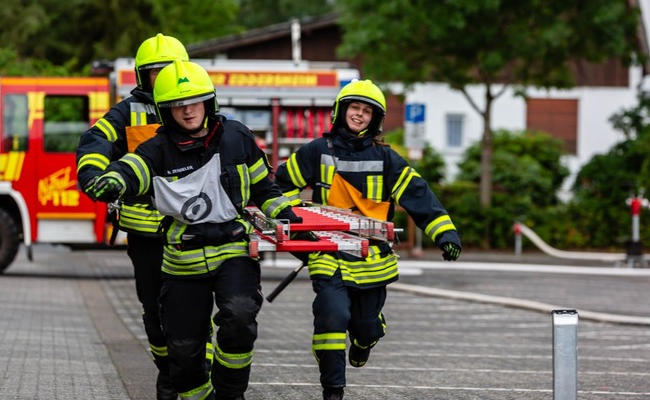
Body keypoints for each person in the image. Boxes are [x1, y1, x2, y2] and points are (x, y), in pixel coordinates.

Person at [85, 59, 303, 400]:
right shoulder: (156, 149)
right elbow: (132, 170)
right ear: (165, 110)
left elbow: (264, 189)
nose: (187, 112)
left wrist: (289, 218)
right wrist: (112, 180)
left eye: (194, 102)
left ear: (209, 101)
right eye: (177, 105)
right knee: (184, 354)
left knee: (240, 316)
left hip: (233, 250)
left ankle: (230, 394)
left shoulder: (237, 137)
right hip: (181, 260)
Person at [273, 79, 462, 400]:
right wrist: (301, 229)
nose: (359, 115)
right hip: (327, 253)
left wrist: (445, 233)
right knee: (331, 318)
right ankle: (333, 390)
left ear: (375, 119)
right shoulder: (316, 151)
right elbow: (278, 189)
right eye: (354, 108)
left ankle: (366, 338)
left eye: (366, 111)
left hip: (372, 259)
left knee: (365, 326)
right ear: (340, 111)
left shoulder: (387, 158)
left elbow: (418, 195)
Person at [76, 33, 200, 400]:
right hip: (146, 234)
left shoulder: (198, 108)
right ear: (141, 77)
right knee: (154, 311)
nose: (162, 79)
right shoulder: (127, 112)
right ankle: (168, 373)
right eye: (155, 73)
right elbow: (95, 141)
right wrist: (95, 176)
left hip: (193, 231)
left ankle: (191, 375)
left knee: (192, 309)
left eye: (169, 72)